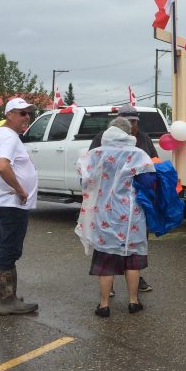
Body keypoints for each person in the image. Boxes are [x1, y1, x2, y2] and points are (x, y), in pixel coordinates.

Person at [76, 117, 156, 317]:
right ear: (128, 132)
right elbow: (147, 182)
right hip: (130, 215)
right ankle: (133, 301)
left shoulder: (94, 155)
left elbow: (84, 181)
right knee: (132, 258)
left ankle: (103, 305)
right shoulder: (137, 154)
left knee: (105, 259)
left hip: (104, 212)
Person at [0, 98, 39, 316]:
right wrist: (19, 189)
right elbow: (2, 165)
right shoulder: (8, 136)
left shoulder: (1, 135)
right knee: (10, 250)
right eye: (22, 113)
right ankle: (7, 301)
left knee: (6, 249)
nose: (27, 117)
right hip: (11, 203)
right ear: (9, 115)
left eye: (29, 113)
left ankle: (3, 299)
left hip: (3, 202)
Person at [89, 103, 158, 158]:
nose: (130, 125)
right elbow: (91, 159)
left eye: (133, 121)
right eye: (126, 121)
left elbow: (155, 160)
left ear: (137, 121)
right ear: (118, 121)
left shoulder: (144, 138)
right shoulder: (103, 137)